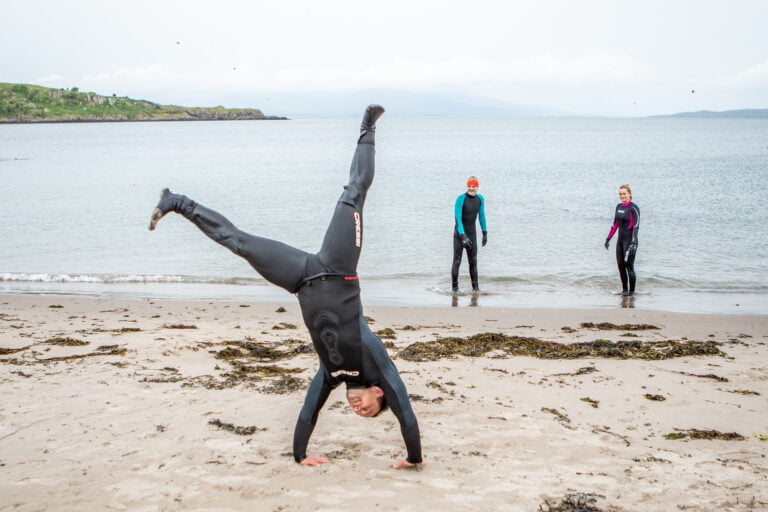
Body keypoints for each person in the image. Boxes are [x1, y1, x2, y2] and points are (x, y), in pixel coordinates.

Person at [148, 105, 422, 469]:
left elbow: (309, 411)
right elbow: (406, 413)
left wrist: (300, 455)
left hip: (301, 279)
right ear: (378, 393)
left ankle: (176, 202)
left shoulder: (332, 375)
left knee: (240, 243)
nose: (359, 410)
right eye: (370, 410)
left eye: (359, 414)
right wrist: (414, 458)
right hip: (339, 268)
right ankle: (366, 129)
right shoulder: (378, 364)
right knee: (354, 193)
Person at [451, 176, 487, 293]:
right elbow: (458, 218)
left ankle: (476, 289)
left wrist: (484, 232)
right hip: (460, 235)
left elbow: (481, 216)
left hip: (472, 235)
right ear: (467, 186)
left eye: (473, 186)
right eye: (469, 186)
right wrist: (462, 236)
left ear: (477, 187)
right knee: (457, 261)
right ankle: (455, 289)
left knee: (473, 262)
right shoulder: (461, 199)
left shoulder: (480, 199)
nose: (471, 188)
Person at [604, 184, 640, 296]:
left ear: (629, 194)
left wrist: (634, 240)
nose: (622, 196)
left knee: (629, 266)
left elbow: (636, 225)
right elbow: (615, 225)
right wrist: (608, 238)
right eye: (620, 194)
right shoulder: (619, 207)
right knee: (620, 265)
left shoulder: (633, 208)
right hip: (620, 241)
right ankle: (624, 290)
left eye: (624, 193)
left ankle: (632, 292)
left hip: (630, 241)